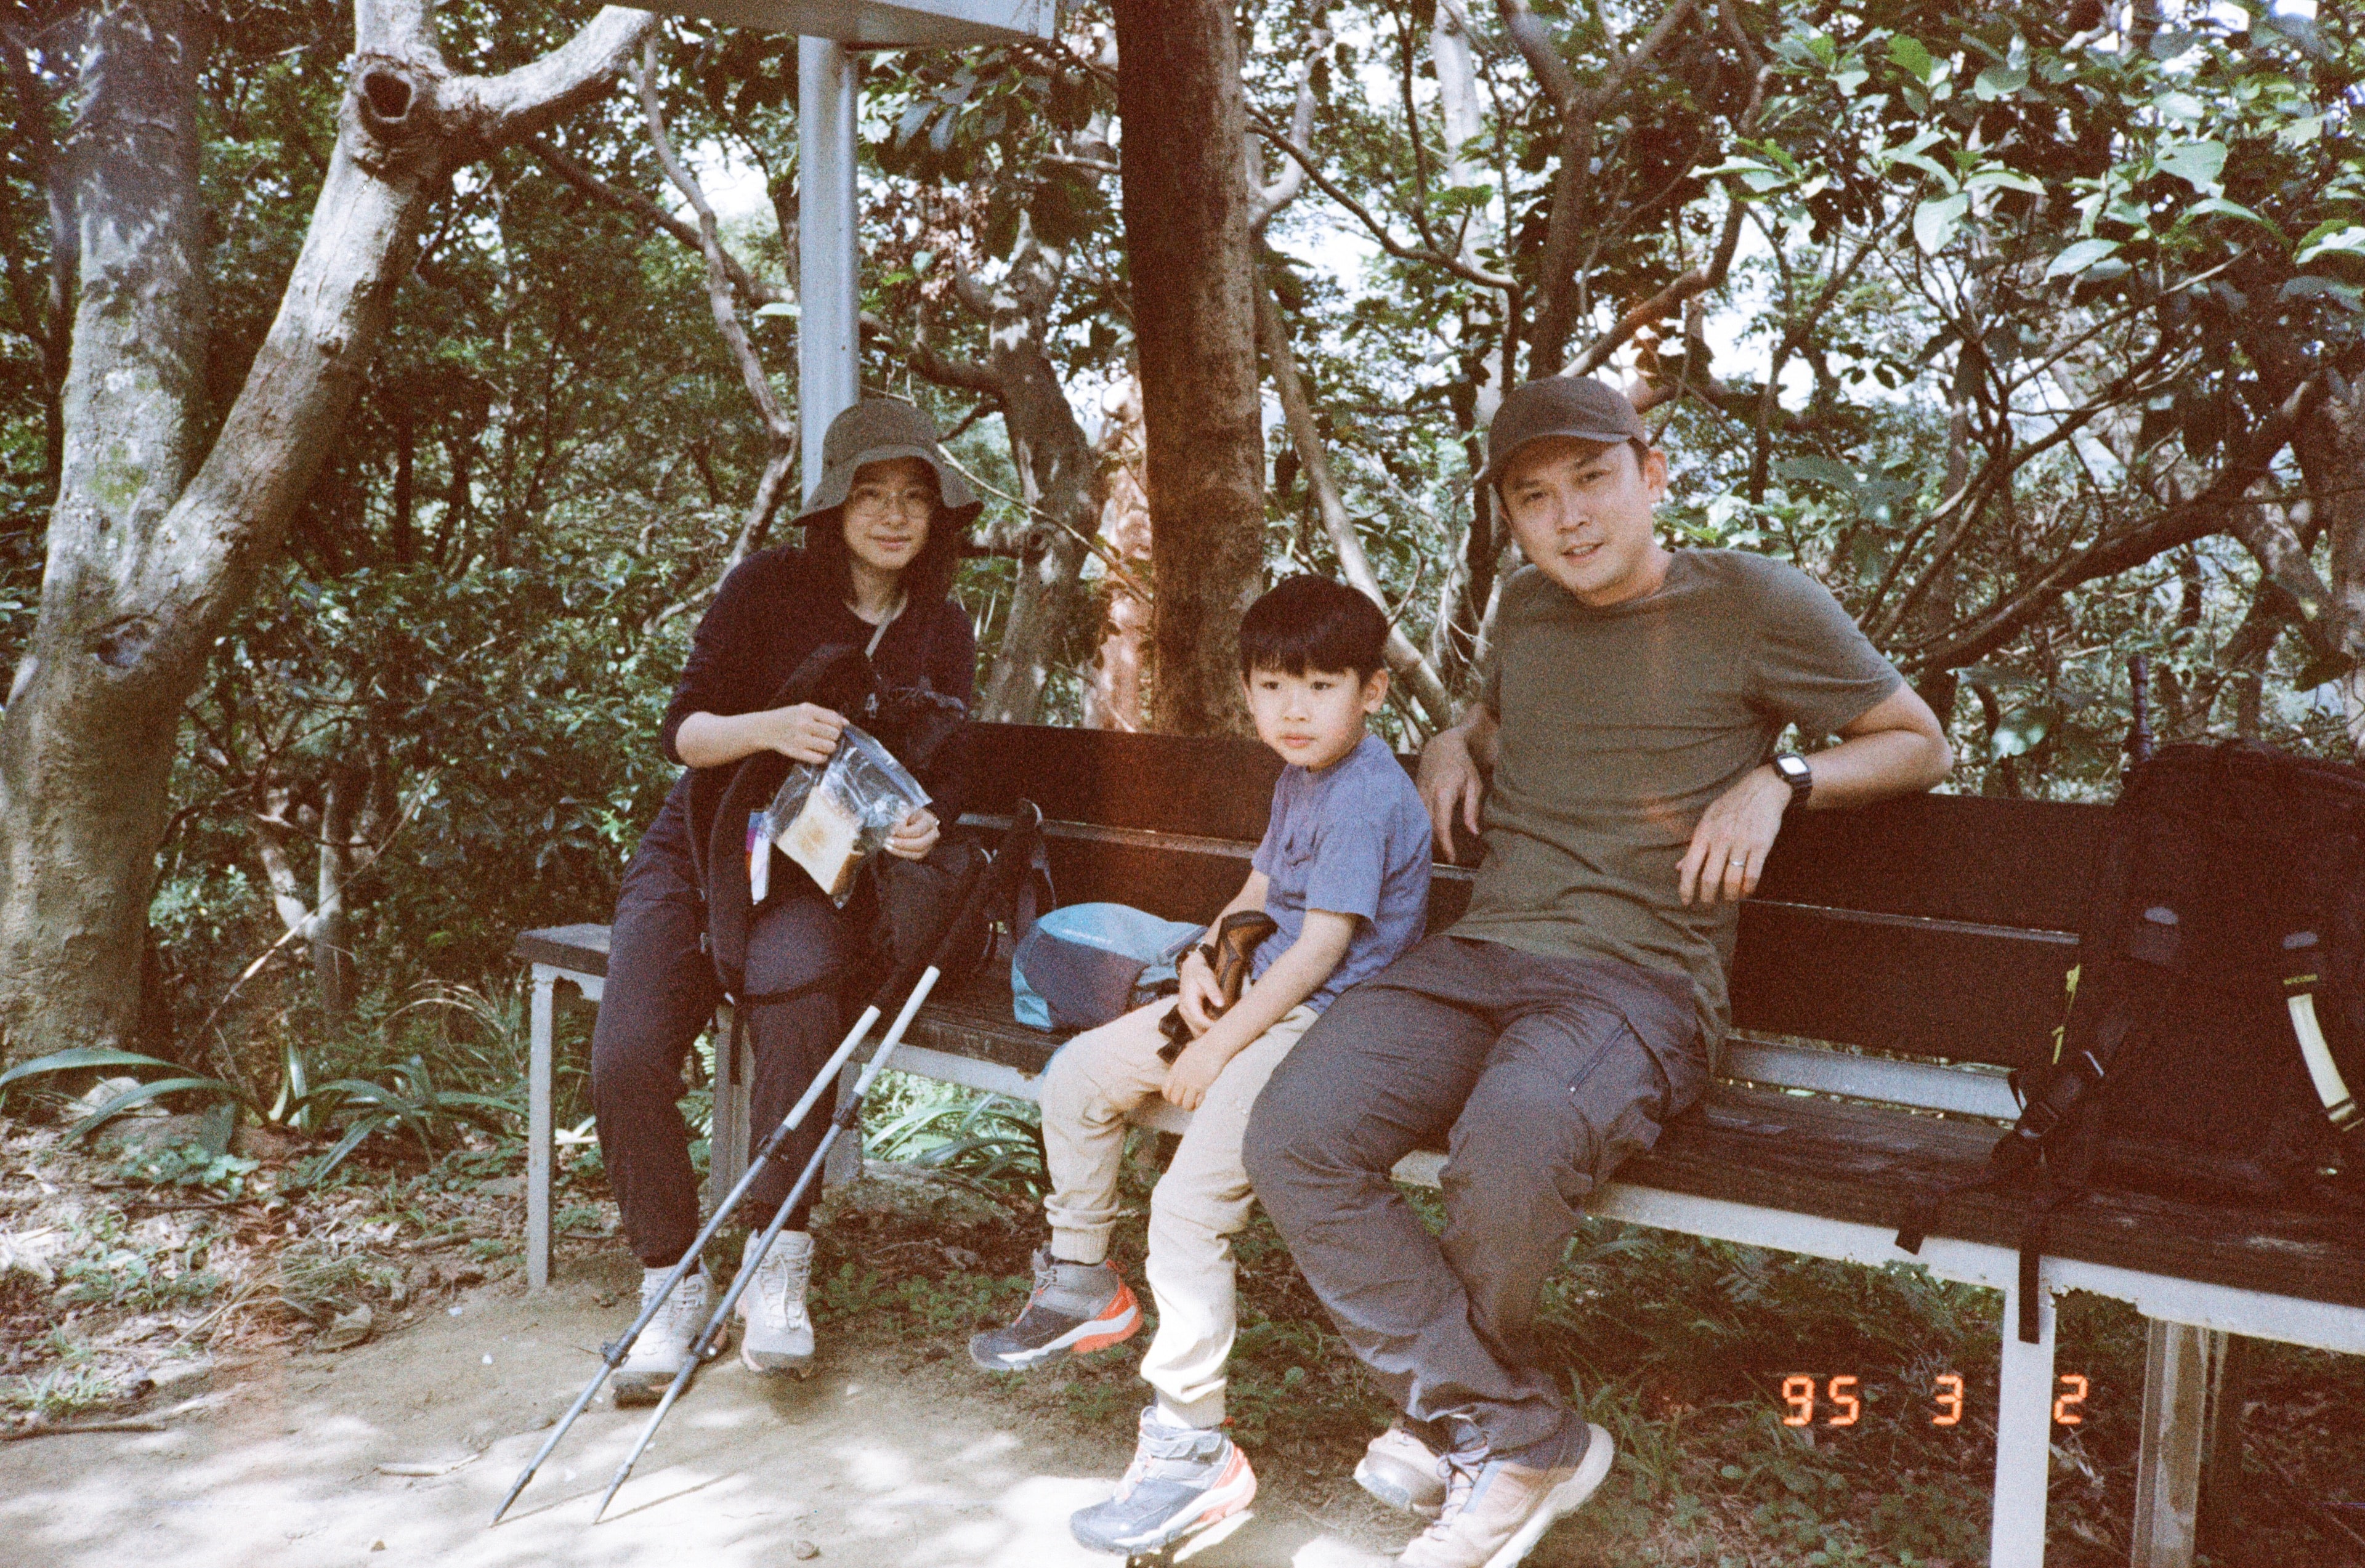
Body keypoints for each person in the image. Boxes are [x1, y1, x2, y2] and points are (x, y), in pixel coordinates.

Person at [1243, 378, 1954, 1568]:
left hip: (1638, 980)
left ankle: (1462, 1426)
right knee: (1294, 1130)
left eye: (1592, 479)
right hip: (1483, 954)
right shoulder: (1526, 607)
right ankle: (1513, 1429)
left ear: (1652, 473)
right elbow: (1498, 717)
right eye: (1534, 497)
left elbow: (1920, 740)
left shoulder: (1756, 602)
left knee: (1514, 1142)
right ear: (1512, 519)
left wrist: (1782, 780)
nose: (1568, 516)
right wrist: (1454, 738)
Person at [969, 575, 1436, 1557]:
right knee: (1078, 1078)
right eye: (1272, 686)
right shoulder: (1300, 775)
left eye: (1321, 685)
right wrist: (1199, 961)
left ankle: (1193, 1447)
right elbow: (1261, 889)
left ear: (1374, 691)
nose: (1294, 708)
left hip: (1322, 1025)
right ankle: (1083, 1278)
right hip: (1251, 994)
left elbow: (1320, 952)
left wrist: (1217, 1045)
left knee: (1187, 1208)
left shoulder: (1365, 795)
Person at [590, 400, 981, 1402]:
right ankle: (672, 1278)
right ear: (834, 507)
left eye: (915, 497)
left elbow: (941, 770)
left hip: (815, 870)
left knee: (800, 1000)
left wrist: (921, 824)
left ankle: (777, 1258)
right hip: (701, 847)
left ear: (938, 515)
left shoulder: (941, 626)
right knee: (627, 1054)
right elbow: (685, 733)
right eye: (870, 493)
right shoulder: (766, 586)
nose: (892, 515)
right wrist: (771, 726)